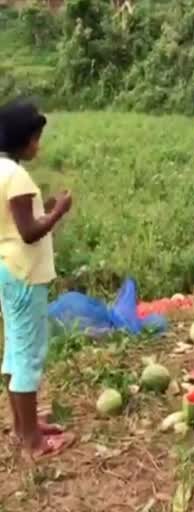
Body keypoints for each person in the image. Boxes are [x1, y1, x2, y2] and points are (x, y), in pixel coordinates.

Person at [0, 99, 75, 457]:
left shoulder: (1, 170)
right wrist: (58, 210)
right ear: (24, 139)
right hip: (25, 273)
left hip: (8, 269)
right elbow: (29, 232)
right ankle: (33, 441)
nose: (38, 145)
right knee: (28, 353)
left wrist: (42, 208)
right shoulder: (17, 177)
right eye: (36, 138)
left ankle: (23, 425)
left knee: (15, 350)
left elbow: (16, 223)